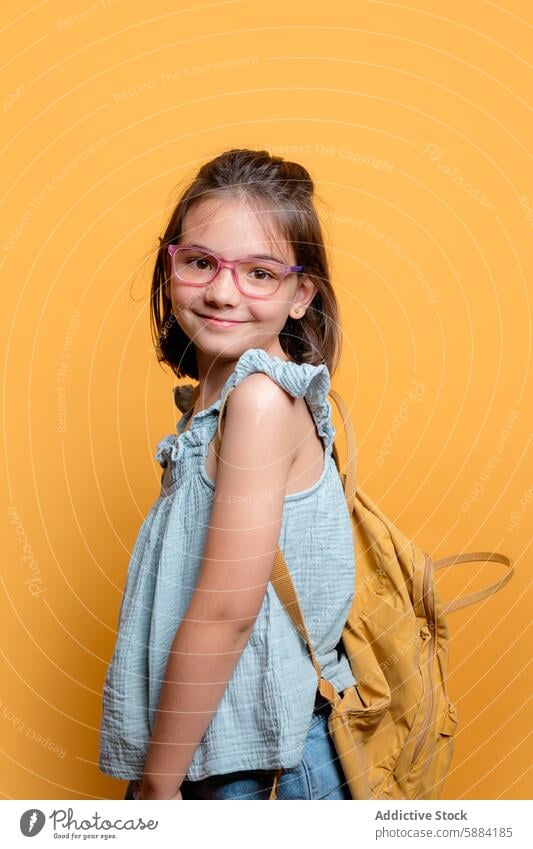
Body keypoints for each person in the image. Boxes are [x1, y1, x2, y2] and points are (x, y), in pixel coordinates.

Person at [98, 148, 356, 800]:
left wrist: (157, 782)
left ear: (302, 295)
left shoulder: (260, 400)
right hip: (209, 740)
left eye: (259, 273)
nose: (220, 290)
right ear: (170, 260)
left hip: (251, 761)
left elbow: (225, 611)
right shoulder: (217, 396)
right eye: (199, 261)